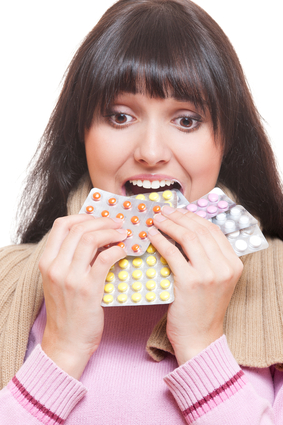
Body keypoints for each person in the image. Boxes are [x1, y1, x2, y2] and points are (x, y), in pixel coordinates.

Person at [0, 0, 283, 423]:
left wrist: (202, 346)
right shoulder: (8, 282)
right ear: (82, 133)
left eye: (186, 120)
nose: (150, 153)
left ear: (226, 142)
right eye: (120, 116)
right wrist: (61, 351)